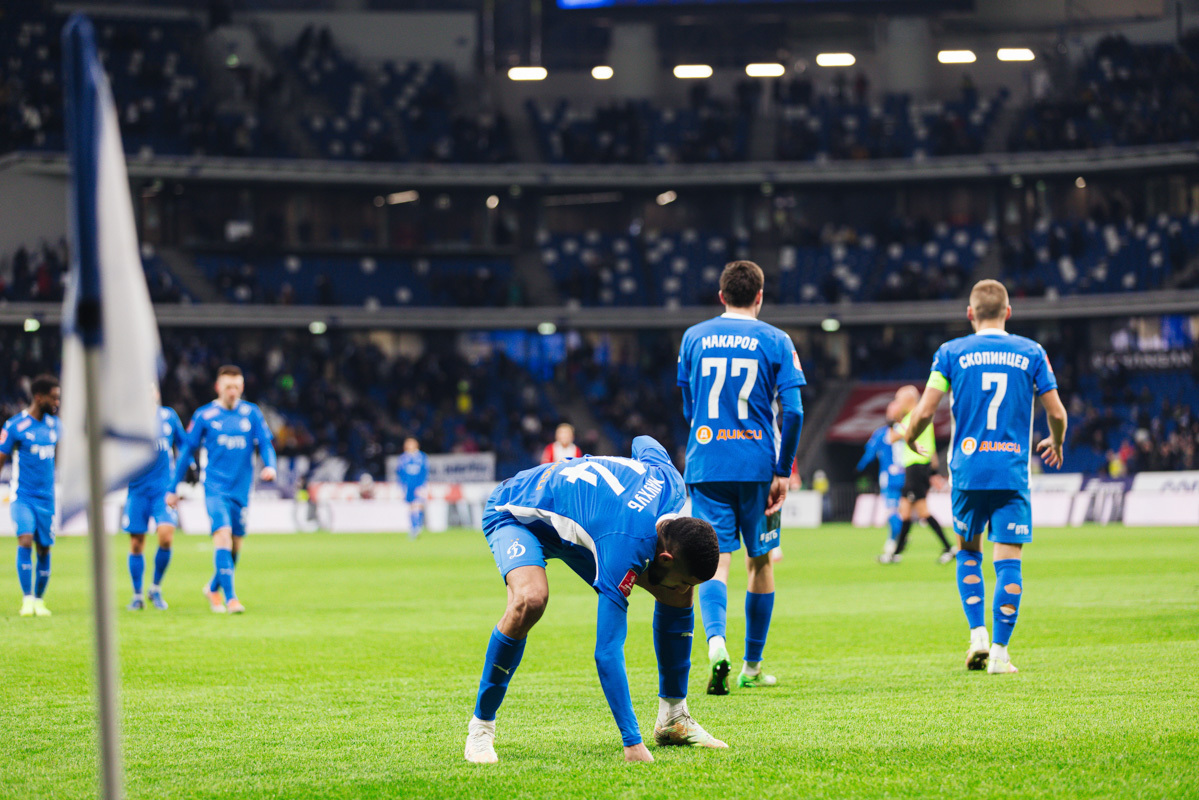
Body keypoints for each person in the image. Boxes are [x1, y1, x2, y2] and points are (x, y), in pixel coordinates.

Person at [465, 436, 726, 764]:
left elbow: (643, 441)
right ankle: (481, 728)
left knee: (679, 594)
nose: (683, 586)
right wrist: (632, 743)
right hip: (518, 513)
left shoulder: (671, 481)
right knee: (530, 600)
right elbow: (606, 651)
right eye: (684, 576)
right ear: (665, 557)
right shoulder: (623, 547)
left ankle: (673, 718)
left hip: (584, 528)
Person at [904, 279, 1067, 674]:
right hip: (1011, 471)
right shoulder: (1032, 352)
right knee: (1008, 560)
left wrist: (910, 437)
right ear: (1008, 312)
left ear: (970, 314)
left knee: (970, 553)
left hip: (968, 471)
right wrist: (1056, 441)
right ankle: (999, 653)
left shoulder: (950, 352)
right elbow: (1057, 413)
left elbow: (924, 412)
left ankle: (976, 633)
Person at [677, 260, 805, 695]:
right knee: (761, 560)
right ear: (760, 296)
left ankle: (715, 644)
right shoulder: (776, 339)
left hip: (707, 463)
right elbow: (795, 410)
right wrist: (782, 470)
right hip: (756, 468)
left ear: (721, 297)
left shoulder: (693, 337)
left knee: (715, 560)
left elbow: (688, 405)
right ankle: (751, 665)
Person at [170, 365, 276, 614]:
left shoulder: (251, 414)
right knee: (224, 536)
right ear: (218, 387)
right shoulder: (204, 415)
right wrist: (172, 487)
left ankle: (212, 588)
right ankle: (231, 599)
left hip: (241, 491)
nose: (233, 391)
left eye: (237, 387)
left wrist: (270, 465)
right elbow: (187, 452)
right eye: (228, 386)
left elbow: (266, 444)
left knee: (235, 546)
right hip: (215, 488)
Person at [0, 375, 60, 617]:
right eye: (54, 397)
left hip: (48, 500)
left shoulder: (55, 426)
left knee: (44, 549)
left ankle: (38, 600)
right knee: (25, 540)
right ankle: (26, 599)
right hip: (22, 496)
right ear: (39, 397)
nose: (57, 402)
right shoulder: (15, 426)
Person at [123, 392, 187, 610]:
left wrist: (189, 469)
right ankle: (137, 595)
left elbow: (184, 444)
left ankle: (156, 588)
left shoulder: (168, 416)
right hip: (137, 491)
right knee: (136, 543)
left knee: (166, 536)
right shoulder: (128, 419)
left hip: (163, 490)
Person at [893, 385, 954, 563]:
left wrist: (893, 419)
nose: (897, 403)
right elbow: (932, 448)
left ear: (907, 400)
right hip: (920, 467)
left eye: (898, 399)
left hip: (915, 467)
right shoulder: (924, 416)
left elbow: (892, 437)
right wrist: (933, 470)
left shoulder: (912, 416)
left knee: (922, 511)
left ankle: (949, 547)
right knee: (904, 512)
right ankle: (896, 552)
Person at [858, 399, 906, 563]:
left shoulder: (883, 433)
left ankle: (894, 546)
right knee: (905, 513)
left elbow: (869, 455)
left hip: (891, 478)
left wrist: (858, 470)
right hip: (907, 476)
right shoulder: (910, 430)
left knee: (893, 513)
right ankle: (894, 544)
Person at [396, 437, 428, 539]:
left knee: (418, 505)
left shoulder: (421, 457)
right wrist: (401, 486)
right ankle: (413, 528)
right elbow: (400, 473)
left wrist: (423, 485)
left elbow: (424, 472)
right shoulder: (403, 458)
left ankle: (417, 527)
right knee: (411, 507)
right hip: (408, 486)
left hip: (418, 485)